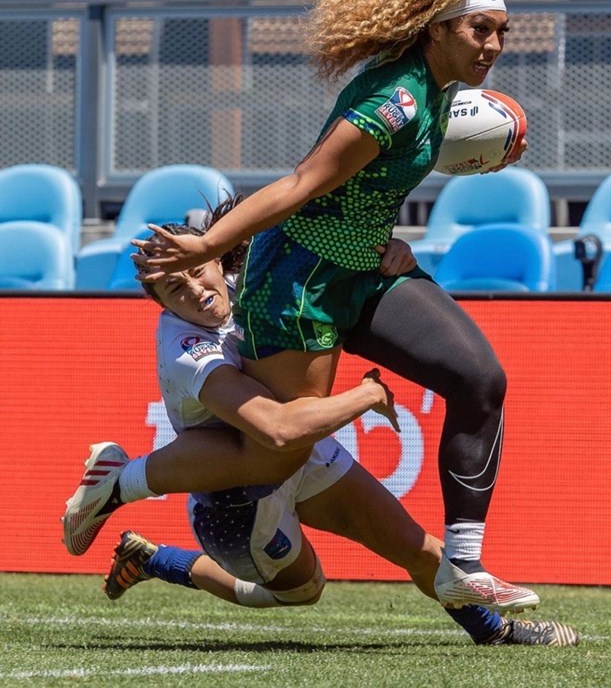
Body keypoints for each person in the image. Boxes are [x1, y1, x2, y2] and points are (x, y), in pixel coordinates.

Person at [130, 0, 534, 612]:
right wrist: (207, 245)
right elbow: (300, 186)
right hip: (300, 281)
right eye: (480, 29)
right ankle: (130, 493)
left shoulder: (439, 89)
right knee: (275, 448)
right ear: (437, 29)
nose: (494, 45)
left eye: (502, 30)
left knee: (480, 379)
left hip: (365, 269)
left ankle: (466, 566)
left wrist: (390, 238)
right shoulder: (397, 101)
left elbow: (364, 192)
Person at [64, 204, 578, 646]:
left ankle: (496, 631)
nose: (194, 290)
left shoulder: (258, 283)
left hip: (302, 456)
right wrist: (368, 394)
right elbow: (278, 428)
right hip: (236, 500)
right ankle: (152, 543)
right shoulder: (185, 349)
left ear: (218, 259)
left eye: (198, 270)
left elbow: (324, 251)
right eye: (173, 289)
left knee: (421, 551)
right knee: (300, 592)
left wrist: (391, 257)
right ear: (160, 305)